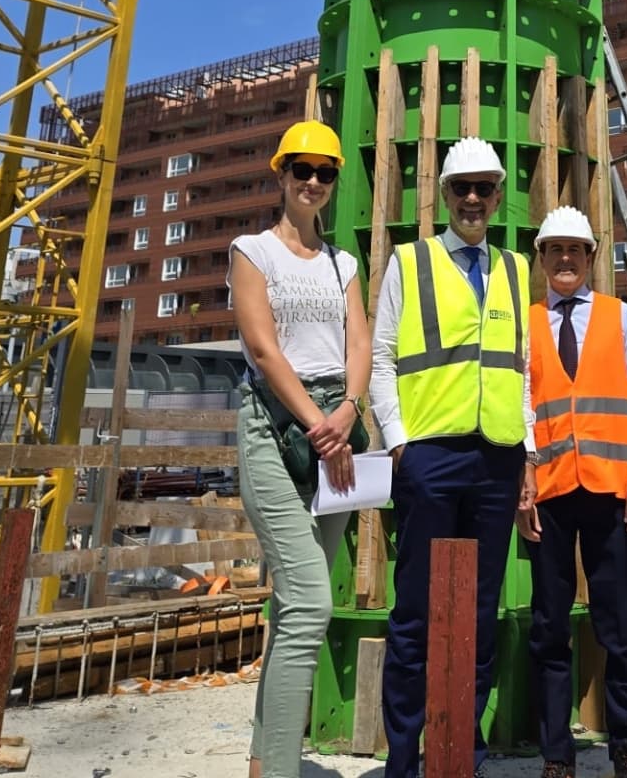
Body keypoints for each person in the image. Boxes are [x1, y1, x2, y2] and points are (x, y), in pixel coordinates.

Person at [369, 137, 530, 778]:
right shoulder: (408, 263)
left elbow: (520, 368)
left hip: (497, 458)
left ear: (496, 196)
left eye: (484, 188)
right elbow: (382, 358)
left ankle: (461, 750)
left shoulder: (517, 269)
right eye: (461, 187)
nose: (472, 198)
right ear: (443, 194)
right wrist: (399, 440)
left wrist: (530, 452)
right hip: (430, 456)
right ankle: (404, 760)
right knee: (414, 612)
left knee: (480, 613)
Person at [229, 120, 372, 778]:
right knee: (313, 600)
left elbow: (360, 345)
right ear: (280, 174)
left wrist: (346, 411)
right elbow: (262, 347)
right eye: (301, 170)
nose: (313, 181)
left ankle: (265, 758)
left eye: (325, 172)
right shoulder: (252, 251)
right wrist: (320, 421)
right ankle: (282, 767)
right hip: (275, 427)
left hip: (335, 436)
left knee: (294, 604)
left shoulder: (346, 263)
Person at [518, 207, 627, 778]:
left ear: (593, 257)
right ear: (543, 259)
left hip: (611, 490)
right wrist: (522, 480)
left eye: (577, 249)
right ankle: (557, 754)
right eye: (555, 249)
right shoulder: (526, 323)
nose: (567, 259)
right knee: (549, 627)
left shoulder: (620, 316)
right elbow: (522, 406)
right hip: (548, 493)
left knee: (620, 625)